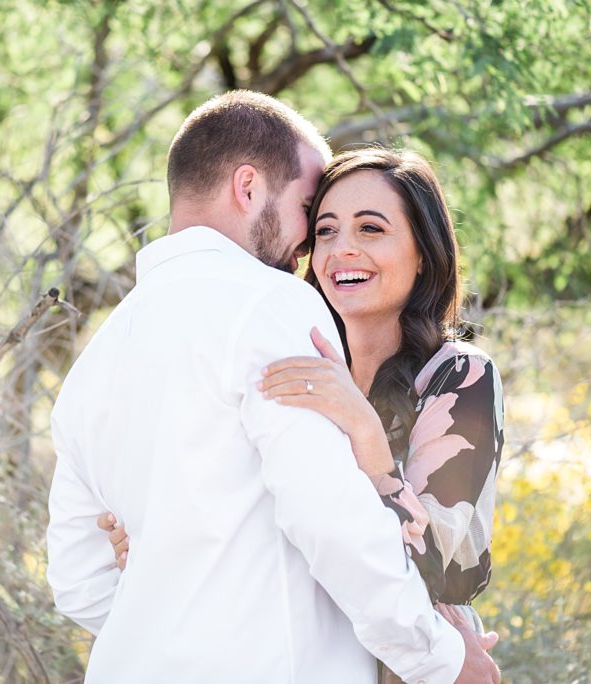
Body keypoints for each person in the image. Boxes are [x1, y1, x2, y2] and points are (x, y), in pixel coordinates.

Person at [46, 90, 500, 683]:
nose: (316, 244)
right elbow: (329, 522)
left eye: (369, 227)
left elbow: (79, 584)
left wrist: (169, 613)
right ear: (249, 187)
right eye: (314, 214)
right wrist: (440, 660)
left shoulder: (98, 355)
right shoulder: (270, 305)